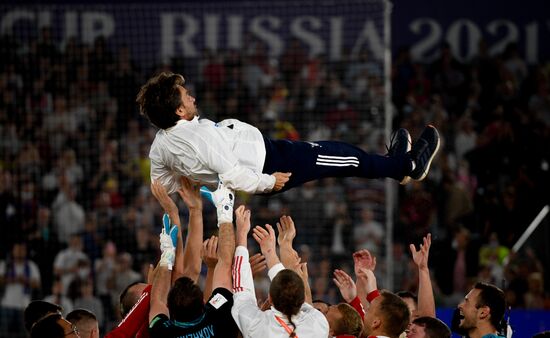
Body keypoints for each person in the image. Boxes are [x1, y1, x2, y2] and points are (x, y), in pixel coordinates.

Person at [136, 72, 440, 195]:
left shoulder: (162, 142)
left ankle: (393, 164)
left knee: (341, 152)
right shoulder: (198, 140)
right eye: (185, 95)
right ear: (177, 111)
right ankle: (408, 165)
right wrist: (269, 180)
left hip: (272, 153)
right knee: (345, 158)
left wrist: (190, 180)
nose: (191, 97)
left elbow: (160, 184)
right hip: (274, 166)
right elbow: (230, 175)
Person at [148, 182, 238, 337]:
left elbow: (223, 264)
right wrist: (167, 256)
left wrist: (193, 211)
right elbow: (158, 301)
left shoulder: (219, 318)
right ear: (204, 304)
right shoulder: (163, 333)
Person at [231, 204, 329, 337]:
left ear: (269, 299)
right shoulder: (319, 323)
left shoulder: (256, 325)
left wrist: (242, 233)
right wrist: (272, 252)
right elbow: (241, 290)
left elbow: (241, 290)